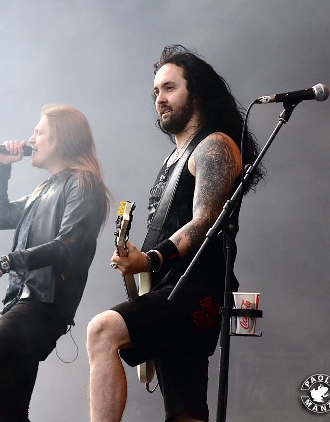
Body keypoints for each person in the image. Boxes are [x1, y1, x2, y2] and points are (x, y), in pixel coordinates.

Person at [87, 45, 264, 422]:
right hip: (169, 288)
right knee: (185, 412)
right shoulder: (173, 158)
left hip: (198, 290)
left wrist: (150, 259)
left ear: (196, 92)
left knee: (102, 331)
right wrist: (137, 260)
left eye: (169, 88)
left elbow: (205, 221)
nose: (160, 99)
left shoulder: (214, 145)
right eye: (155, 92)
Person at [0, 104, 112, 422]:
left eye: (38, 132)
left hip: (46, 302)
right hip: (24, 300)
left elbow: (68, 246)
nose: (30, 139)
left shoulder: (83, 184)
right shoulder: (45, 188)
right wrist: (1, 166)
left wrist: (6, 262)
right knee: (16, 406)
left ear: (59, 139)